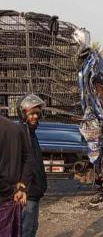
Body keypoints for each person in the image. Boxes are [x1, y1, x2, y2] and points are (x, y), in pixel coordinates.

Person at [16, 94, 48, 237]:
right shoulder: (22, 133)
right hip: (27, 193)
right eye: (31, 113)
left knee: (32, 228)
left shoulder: (31, 133)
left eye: (37, 113)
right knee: (26, 230)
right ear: (23, 114)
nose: (35, 117)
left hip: (34, 192)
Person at [0, 116, 34, 237]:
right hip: (12, 199)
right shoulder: (16, 128)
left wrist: (16, 189)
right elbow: (29, 158)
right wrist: (21, 187)